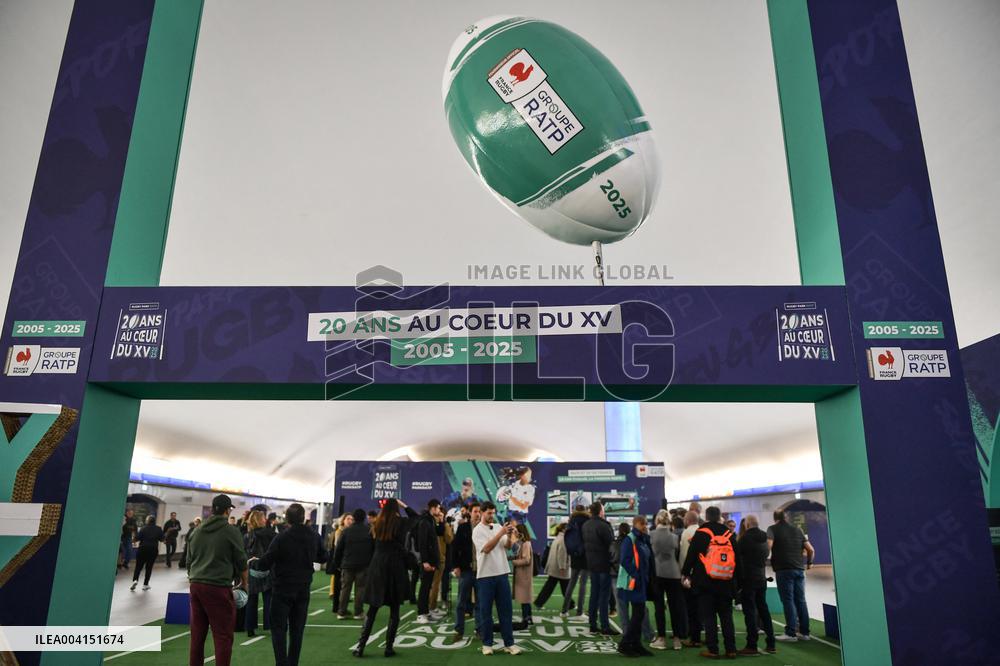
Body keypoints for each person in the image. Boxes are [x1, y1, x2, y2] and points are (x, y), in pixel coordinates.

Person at [249, 503, 327, 666]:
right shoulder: (313, 536)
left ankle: (281, 663)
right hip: (303, 588)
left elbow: (266, 562)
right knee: (297, 631)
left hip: (283, 588)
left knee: (279, 630)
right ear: (303, 517)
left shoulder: (282, 537)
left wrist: (254, 563)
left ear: (287, 519)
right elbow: (323, 557)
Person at [186, 494, 248, 666]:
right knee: (223, 636)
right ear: (228, 511)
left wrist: (194, 579)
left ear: (212, 509)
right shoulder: (231, 531)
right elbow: (242, 562)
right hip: (218, 587)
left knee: (197, 636)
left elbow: (189, 562)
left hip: (196, 585)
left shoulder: (197, 530)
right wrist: (245, 584)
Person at [354, 498, 420, 657]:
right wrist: (405, 505)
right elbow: (416, 518)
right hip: (395, 568)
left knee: (372, 610)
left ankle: (360, 647)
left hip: (378, 567)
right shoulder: (400, 523)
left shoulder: (377, 523)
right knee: (394, 610)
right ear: (397, 508)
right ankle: (388, 648)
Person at [681, 506, 737, 659]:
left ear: (706, 516)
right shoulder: (729, 534)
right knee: (726, 617)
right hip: (726, 582)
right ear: (719, 517)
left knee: (709, 617)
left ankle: (713, 649)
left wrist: (685, 573)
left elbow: (691, 556)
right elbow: (738, 559)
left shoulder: (701, 533)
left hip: (705, 583)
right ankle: (731, 649)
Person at [472, 501, 523, 655]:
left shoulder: (499, 527)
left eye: (493, 513)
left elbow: (506, 546)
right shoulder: (477, 530)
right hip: (485, 576)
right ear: (481, 512)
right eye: (488, 513)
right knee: (486, 612)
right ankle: (487, 644)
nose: (491, 515)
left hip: (502, 573)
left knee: (506, 611)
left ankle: (509, 643)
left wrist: (508, 535)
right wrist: (501, 533)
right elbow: (486, 549)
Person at [768, 510, 815, 642]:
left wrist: (763, 559)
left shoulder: (772, 529)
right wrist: (810, 563)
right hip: (799, 569)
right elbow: (811, 549)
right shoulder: (798, 530)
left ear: (774, 518)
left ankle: (791, 633)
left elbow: (768, 546)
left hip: (784, 570)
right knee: (800, 600)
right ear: (786, 518)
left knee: (788, 600)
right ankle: (805, 633)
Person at [735, 515, 776, 655]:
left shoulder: (744, 539)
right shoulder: (765, 536)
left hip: (748, 580)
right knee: (764, 610)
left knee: (750, 612)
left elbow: (737, 561)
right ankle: (771, 643)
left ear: (746, 524)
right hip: (761, 578)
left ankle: (751, 645)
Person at [649, 509, 687, 651]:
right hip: (674, 574)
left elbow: (650, 556)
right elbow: (678, 556)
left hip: (658, 574)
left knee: (659, 608)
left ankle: (661, 638)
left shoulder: (651, 535)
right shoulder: (674, 537)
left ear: (657, 520)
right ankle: (677, 640)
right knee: (675, 607)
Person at [616, 515, 654, 657]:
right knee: (638, 614)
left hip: (641, 582)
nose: (645, 526)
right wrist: (636, 576)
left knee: (639, 613)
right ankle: (625, 644)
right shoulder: (630, 540)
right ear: (635, 524)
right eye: (642, 523)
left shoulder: (643, 539)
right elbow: (625, 561)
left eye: (646, 523)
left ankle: (636, 645)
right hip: (633, 583)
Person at [582, 501, 617, 636]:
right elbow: (611, 545)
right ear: (601, 511)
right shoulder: (604, 525)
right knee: (604, 596)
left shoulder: (586, 525)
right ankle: (605, 626)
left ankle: (592, 625)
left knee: (594, 595)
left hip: (592, 564)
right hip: (604, 564)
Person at [450, 501, 482, 643]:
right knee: (461, 603)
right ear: (470, 512)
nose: (478, 514)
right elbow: (454, 548)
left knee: (481, 603)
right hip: (466, 570)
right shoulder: (463, 528)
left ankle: (480, 630)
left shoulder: (486, 528)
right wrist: (455, 566)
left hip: (482, 571)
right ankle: (459, 630)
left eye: (480, 511)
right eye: (475, 511)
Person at [335, 508, 375, 620]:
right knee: (360, 589)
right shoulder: (369, 530)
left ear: (354, 518)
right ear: (364, 518)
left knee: (345, 589)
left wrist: (337, 563)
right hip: (364, 564)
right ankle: (358, 612)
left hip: (347, 564)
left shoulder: (346, 531)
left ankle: (341, 612)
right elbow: (374, 548)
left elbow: (339, 549)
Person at [245, 510, 276, 637]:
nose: (265, 520)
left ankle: (250, 628)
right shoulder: (270, 534)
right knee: (269, 598)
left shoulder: (247, 535)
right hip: (267, 568)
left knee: (252, 599)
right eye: (263, 518)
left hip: (252, 569)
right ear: (260, 519)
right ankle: (270, 625)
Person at [414, 499, 443, 623]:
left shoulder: (431, 520)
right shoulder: (424, 521)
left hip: (432, 559)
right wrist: (425, 561)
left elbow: (439, 533)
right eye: (438, 508)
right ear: (432, 508)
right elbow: (423, 542)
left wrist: (441, 521)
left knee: (428, 586)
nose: (439, 510)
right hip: (427, 560)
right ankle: (421, 613)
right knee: (425, 587)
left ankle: (426, 611)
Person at [560, 506, 590, 618]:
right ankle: (580, 612)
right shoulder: (587, 521)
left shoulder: (571, 521)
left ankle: (564, 610)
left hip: (575, 555)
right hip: (585, 554)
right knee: (583, 584)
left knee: (571, 582)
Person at [678, 510, 702, 647]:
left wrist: (683, 574)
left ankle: (694, 638)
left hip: (690, 575)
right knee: (700, 607)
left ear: (687, 521)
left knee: (691, 608)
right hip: (702, 574)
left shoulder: (686, 533)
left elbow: (684, 555)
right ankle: (699, 635)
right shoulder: (702, 531)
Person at [534, 523, 570, 609]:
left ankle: (539, 603)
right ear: (564, 529)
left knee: (550, 587)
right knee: (565, 588)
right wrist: (562, 567)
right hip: (559, 569)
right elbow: (562, 554)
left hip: (554, 568)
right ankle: (571, 604)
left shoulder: (558, 538)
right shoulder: (563, 540)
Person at [428, 506, 453, 617]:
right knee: (433, 585)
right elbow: (449, 539)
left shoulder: (442, 526)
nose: (439, 517)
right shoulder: (431, 525)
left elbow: (449, 539)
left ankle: (432, 607)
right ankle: (430, 608)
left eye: (441, 515)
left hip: (441, 557)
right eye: (437, 515)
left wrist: (445, 524)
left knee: (436, 584)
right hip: (435, 558)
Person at [130, 515, 163, 591]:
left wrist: (133, 538)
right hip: (153, 550)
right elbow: (162, 539)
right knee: (149, 567)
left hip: (142, 549)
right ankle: (145, 584)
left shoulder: (143, 528)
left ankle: (135, 580)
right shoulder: (158, 529)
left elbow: (136, 539)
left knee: (138, 566)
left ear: (148, 521)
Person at [510, 523, 534, 628]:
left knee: (524, 599)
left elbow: (526, 560)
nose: (514, 533)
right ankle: (528, 617)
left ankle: (526, 618)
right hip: (522, 574)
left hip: (524, 574)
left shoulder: (526, 544)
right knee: (525, 599)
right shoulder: (522, 543)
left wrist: (514, 562)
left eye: (516, 531)